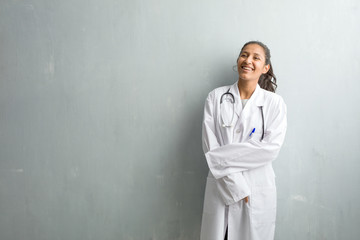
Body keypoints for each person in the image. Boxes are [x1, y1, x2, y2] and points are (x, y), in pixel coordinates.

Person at [200, 41, 287, 240]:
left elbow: (270, 149)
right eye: (244, 55)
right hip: (222, 187)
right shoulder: (216, 98)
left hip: (257, 189)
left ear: (265, 68)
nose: (248, 60)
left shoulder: (274, 104)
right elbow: (211, 149)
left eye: (256, 57)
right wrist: (237, 187)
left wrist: (225, 157)